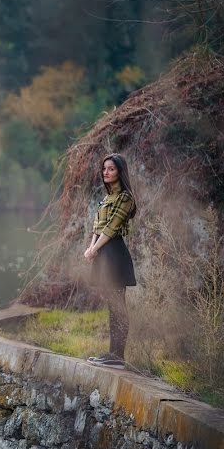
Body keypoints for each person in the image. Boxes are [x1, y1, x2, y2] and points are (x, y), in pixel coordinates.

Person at [83, 153, 138, 369]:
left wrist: (94, 249)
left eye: (111, 169)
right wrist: (91, 247)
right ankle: (112, 354)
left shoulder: (125, 197)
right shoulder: (107, 198)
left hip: (114, 253)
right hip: (103, 253)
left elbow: (111, 228)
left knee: (118, 306)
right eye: (104, 168)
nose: (106, 172)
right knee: (111, 305)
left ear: (120, 172)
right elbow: (97, 226)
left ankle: (118, 356)